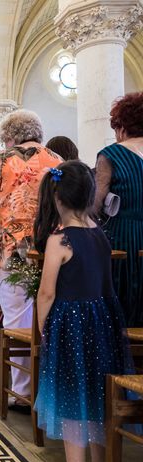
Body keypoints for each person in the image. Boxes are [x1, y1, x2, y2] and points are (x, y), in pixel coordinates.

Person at [33, 161, 134, 462]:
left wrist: (42, 328)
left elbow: (46, 292)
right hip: (103, 325)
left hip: (70, 328)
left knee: (71, 401)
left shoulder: (59, 239)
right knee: (98, 398)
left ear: (57, 198)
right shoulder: (100, 234)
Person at [0, 109, 60, 411]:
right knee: (46, 315)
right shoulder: (57, 161)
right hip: (49, 248)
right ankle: (47, 386)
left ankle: (22, 390)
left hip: (10, 251)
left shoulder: (2, 159)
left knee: (17, 317)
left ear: (9, 137)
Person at [94, 92, 143, 327]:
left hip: (123, 238)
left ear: (122, 126)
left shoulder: (111, 154)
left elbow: (95, 203)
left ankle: (121, 355)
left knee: (121, 304)